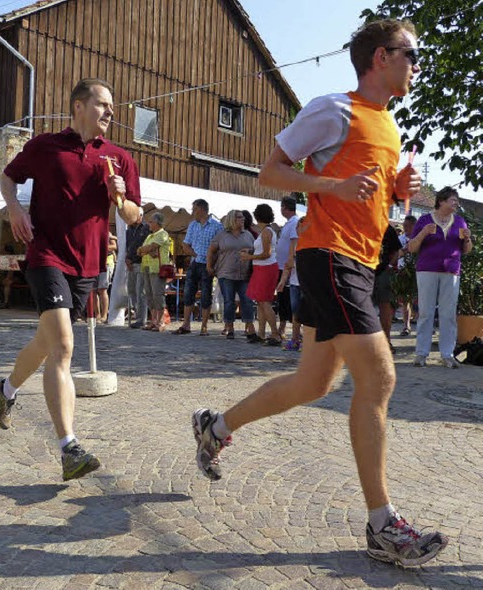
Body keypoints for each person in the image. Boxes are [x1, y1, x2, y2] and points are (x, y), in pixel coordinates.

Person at [191, 19, 449, 567]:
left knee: (313, 382)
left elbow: (370, 198)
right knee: (379, 376)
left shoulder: (386, 123)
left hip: (356, 257)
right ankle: (383, 525)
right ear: (380, 57)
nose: (417, 65)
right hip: (330, 256)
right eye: (411, 54)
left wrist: (400, 193)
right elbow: (270, 172)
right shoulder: (335, 109)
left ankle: (216, 426)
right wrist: (330, 185)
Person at [0, 78, 140, 481]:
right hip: (46, 255)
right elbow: (8, 177)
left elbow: (134, 217)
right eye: (103, 104)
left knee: (46, 343)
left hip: (88, 266)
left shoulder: (119, 158)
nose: (110, 112)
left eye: (112, 106)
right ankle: (68, 447)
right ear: (78, 106)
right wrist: (15, 210)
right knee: (64, 348)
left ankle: (4, 390)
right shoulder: (44, 147)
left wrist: (120, 197)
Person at [407, 186, 472, 368]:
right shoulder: (424, 220)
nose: (456, 203)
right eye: (453, 200)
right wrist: (423, 233)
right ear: (441, 201)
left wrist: (467, 239)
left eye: (457, 200)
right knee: (426, 312)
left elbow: (466, 250)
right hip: (427, 270)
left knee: (448, 314)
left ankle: (447, 354)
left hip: (451, 271)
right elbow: (412, 248)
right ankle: (421, 354)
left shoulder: (460, 222)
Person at [172, 199, 223, 335]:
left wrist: (212, 263)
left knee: (206, 295)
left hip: (208, 265)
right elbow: (185, 244)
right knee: (188, 294)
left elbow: (220, 248)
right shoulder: (193, 225)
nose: (192, 212)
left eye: (193, 209)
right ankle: (186, 324)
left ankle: (204, 326)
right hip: (195, 263)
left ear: (201, 209)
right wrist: (195, 254)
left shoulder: (217, 226)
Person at [207, 210, 255, 340]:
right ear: (232, 219)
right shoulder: (222, 235)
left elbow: (255, 250)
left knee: (247, 300)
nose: (243, 219)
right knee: (229, 301)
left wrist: (250, 252)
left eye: (243, 217)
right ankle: (230, 327)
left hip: (244, 274)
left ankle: (250, 326)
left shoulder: (248, 235)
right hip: (226, 273)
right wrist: (209, 266)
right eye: (239, 217)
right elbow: (211, 251)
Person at [242, 203, 282, 345]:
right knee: (260, 302)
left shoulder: (266, 231)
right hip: (261, 268)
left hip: (266, 268)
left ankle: (275, 334)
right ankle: (261, 333)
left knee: (265, 302)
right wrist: (251, 252)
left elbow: (267, 254)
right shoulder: (265, 230)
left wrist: (249, 257)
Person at [137, 211, 172, 332]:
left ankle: (161, 321)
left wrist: (146, 249)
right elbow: (140, 251)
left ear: (157, 223)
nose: (148, 224)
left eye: (151, 221)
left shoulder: (163, 234)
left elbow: (148, 248)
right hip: (146, 266)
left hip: (158, 269)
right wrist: (145, 250)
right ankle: (153, 321)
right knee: (149, 295)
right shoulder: (149, 236)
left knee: (158, 295)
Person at [277, 216, 307, 351]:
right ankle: (295, 340)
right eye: (296, 227)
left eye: (299, 227)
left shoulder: (313, 244)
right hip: (295, 282)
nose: (296, 230)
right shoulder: (294, 244)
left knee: (307, 313)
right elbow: (288, 264)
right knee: (295, 313)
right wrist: (283, 281)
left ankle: (307, 342)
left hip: (308, 283)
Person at [373, 223, 403, 353]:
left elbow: (396, 251)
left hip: (382, 271)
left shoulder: (386, 226)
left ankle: (385, 342)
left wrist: (388, 266)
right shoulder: (355, 221)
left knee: (386, 306)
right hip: (359, 271)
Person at [275, 195, 299, 337]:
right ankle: (283, 326)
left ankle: (285, 328)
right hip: (283, 266)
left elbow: (294, 243)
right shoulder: (290, 223)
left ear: (284, 207)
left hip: (288, 267)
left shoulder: (295, 223)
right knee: (283, 297)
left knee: (287, 299)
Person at [125, 208, 150, 328]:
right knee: (131, 290)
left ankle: (141, 319)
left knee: (140, 292)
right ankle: (137, 312)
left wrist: (134, 256)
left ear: (140, 216)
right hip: (130, 263)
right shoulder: (129, 229)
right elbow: (128, 245)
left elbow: (145, 246)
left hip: (141, 263)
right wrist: (127, 258)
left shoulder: (146, 228)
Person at [398, 214, 417, 336]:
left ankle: (424, 325)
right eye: (405, 226)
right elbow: (397, 254)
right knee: (405, 300)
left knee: (420, 300)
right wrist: (405, 249)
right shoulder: (400, 239)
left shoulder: (420, 238)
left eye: (409, 226)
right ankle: (406, 326)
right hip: (403, 270)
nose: (406, 228)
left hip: (417, 270)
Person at [92, 232, 118, 322]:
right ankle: (97, 315)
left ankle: (104, 316)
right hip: (93, 264)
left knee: (102, 289)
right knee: (93, 291)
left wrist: (98, 248)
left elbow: (114, 246)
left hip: (106, 263)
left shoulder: (107, 232)